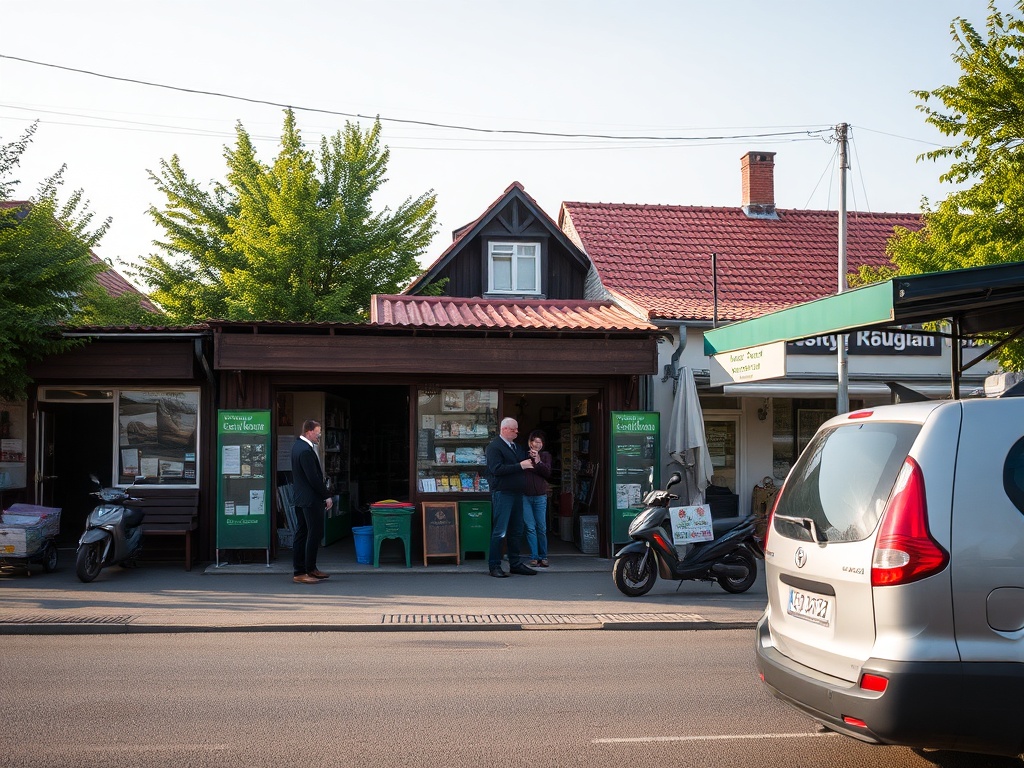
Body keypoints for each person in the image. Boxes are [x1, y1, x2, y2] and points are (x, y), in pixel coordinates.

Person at [484, 417, 538, 578]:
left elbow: (523, 461)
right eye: (514, 430)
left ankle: (515, 563)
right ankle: (494, 565)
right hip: (503, 492)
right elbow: (496, 469)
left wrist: (532, 456)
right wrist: (520, 466)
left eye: (517, 429)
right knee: (500, 531)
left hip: (517, 492)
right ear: (504, 429)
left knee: (517, 530)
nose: (516, 432)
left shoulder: (516, 446)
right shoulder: (494, 447)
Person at [290, 419, 333, 584]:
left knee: (302, 533)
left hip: (301, 498)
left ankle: (304, 569)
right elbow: (313, 478)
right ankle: (306, 570)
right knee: (314, 533)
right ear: (309, 432)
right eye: (317, 433)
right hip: (310, 499)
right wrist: (326, 495)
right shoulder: (306, 451)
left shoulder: (297, 446)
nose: (319, 436)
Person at [523, 429, 552, 567]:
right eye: (535, 442)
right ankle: (534, 557)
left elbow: (547, 473)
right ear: (530, 443)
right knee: (530, 527)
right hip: (525, 496)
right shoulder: (523, 455)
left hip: (540, 496)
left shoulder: (545, 456)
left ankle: (543, 556)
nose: (537, 444)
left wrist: (538, 461)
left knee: (541, 527)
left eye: (540, 442)